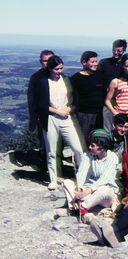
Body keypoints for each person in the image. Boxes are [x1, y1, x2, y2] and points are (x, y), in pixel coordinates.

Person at [31, 55, 85, 190]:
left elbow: (75, 101)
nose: (59, 71)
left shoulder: (67, 80)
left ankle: (82, 176)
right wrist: (56, 111)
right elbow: (40, 104)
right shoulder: (43, 82)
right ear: (49, 68)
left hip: (67, 117)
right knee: (52, 151)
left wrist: (69, 109)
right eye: (56, 69)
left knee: (78, 149)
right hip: (50, 118)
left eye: (61, 68)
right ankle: (53, 179)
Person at [61, 129, 119, 223]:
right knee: (66, 183)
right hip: (88, 192)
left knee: (103, 189)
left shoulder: (112, 158)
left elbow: (104, 180)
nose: (89, 147)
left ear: (102, 148)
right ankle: (83, 211)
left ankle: (81, 208)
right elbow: (81, 173)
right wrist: (79, 189)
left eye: (93, 146)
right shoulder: (88, 155)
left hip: (104, 195)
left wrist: (86, 192)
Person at [28, 49, 55, 171]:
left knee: (57, 144)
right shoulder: (36, 77)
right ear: (40, 61)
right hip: (43, 116)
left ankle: (57, 168)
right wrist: (34, 118)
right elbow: (32, 100)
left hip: (59, 115)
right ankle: (45, 168)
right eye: (45, 61)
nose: (48, 63)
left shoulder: (59, 75)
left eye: (50, 60)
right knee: (45, 144)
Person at [70, 51, 107, 141]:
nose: (95, 64)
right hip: (84, 115)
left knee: (98, 141)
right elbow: (72, 98)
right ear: (84, 62)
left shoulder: (100, 75)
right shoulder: (76, 78)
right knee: (83, 140)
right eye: (92, 62)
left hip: (100, 114)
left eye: (96, 61)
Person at [98, 39, 128, 132]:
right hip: (108, 101)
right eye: (114, 50)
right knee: (108, 129)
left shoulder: (126, 64)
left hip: (123, 102)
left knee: (122, 129)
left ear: (124, 50)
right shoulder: (104, 63)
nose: (116, 53)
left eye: (119, 51)